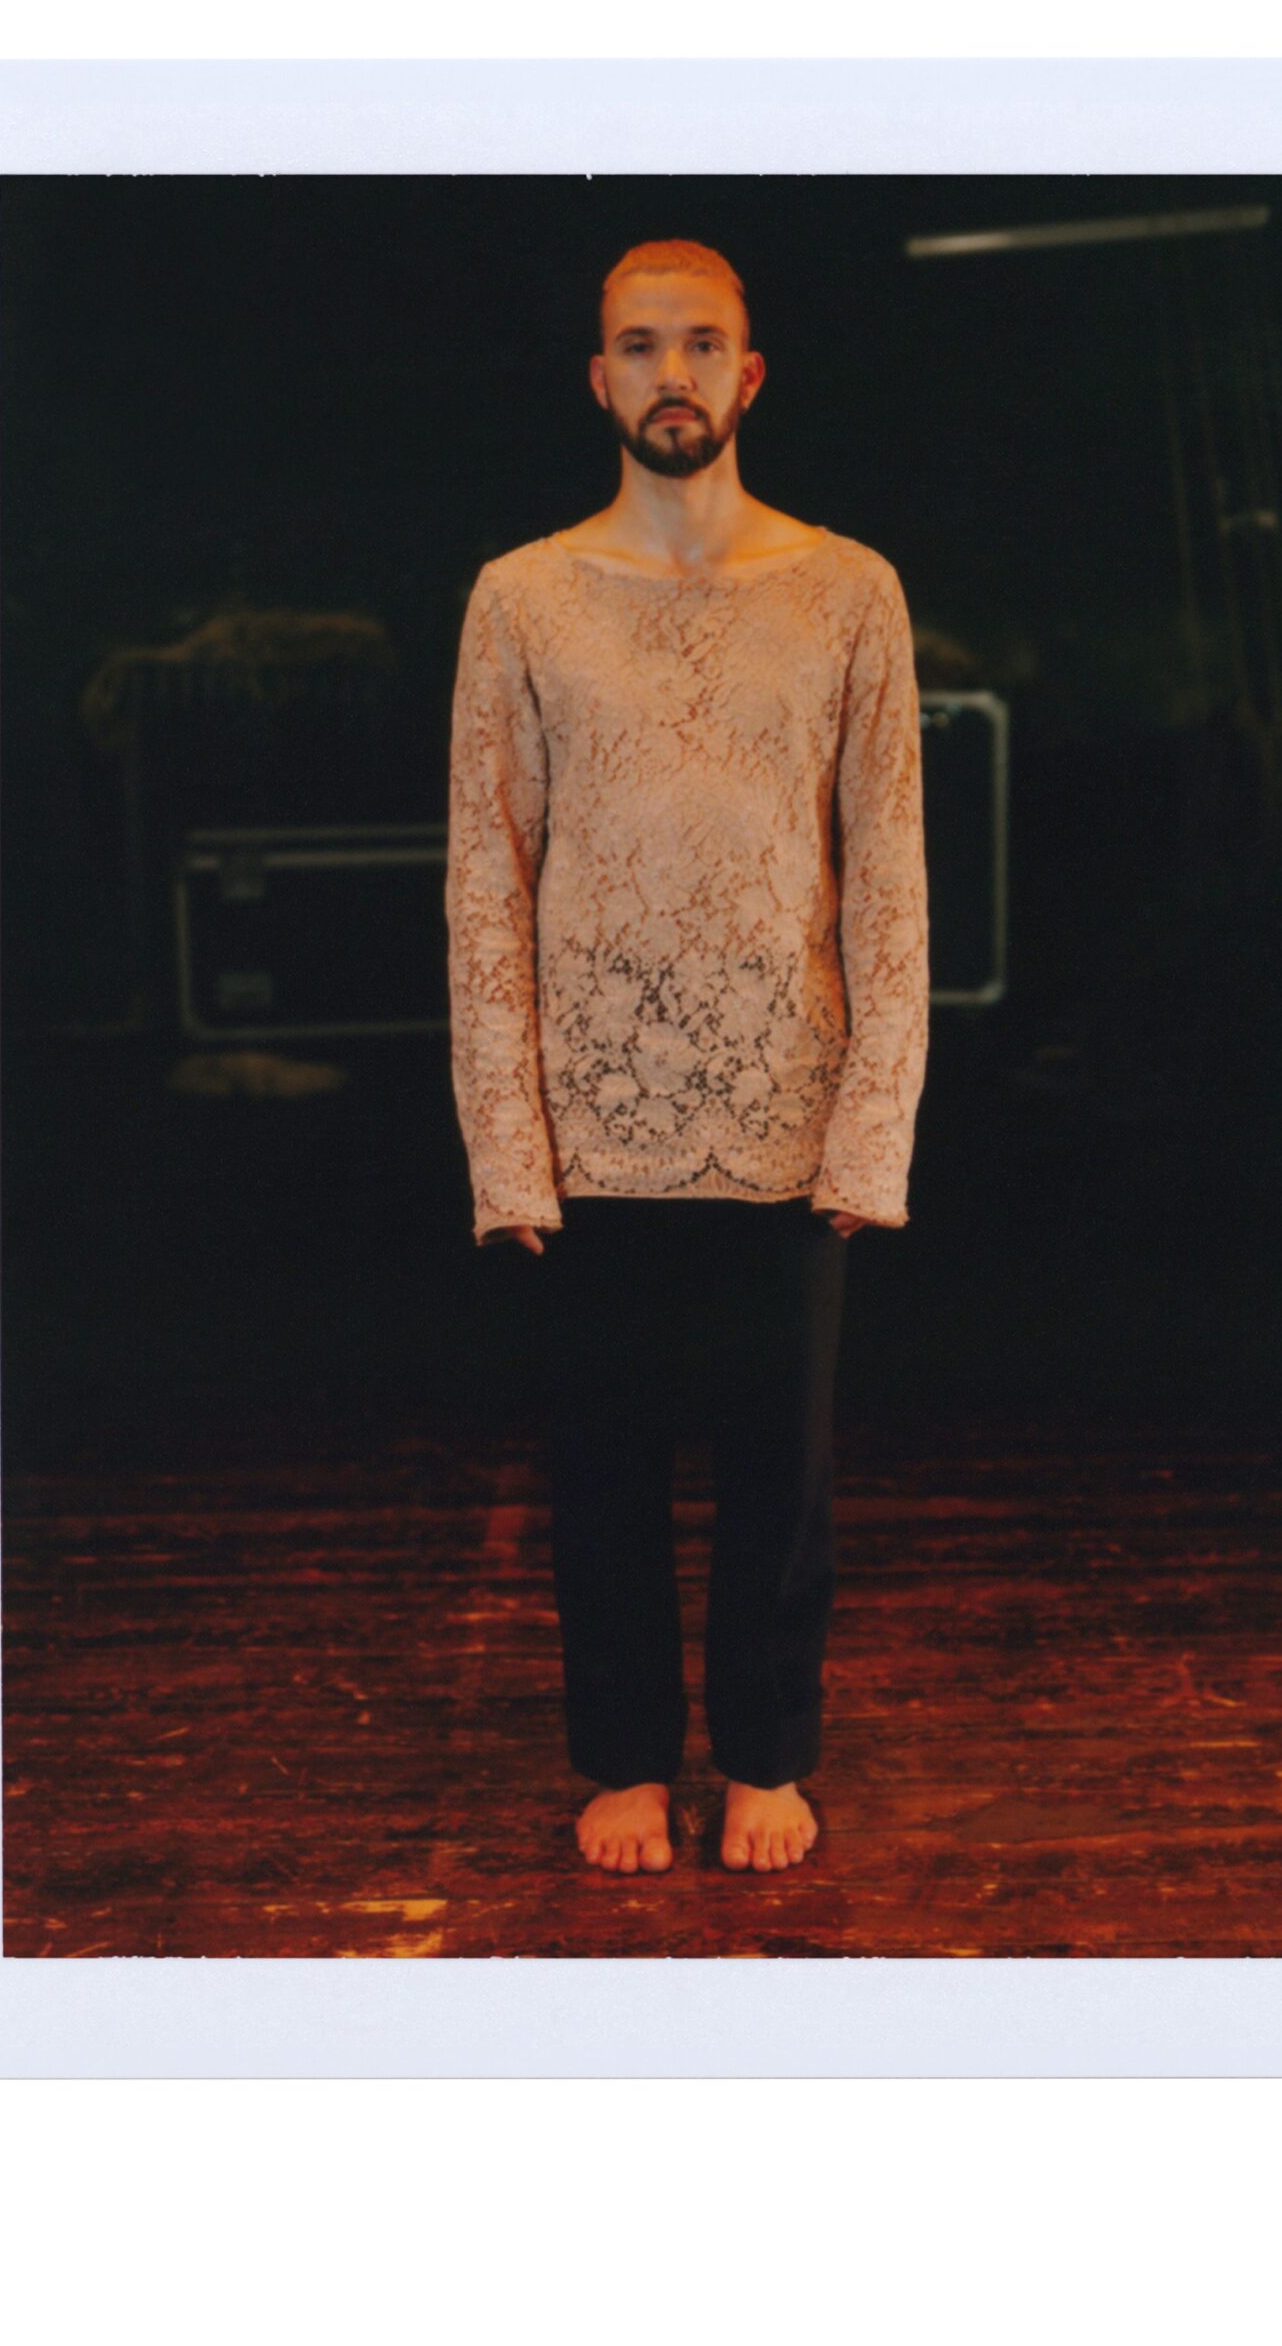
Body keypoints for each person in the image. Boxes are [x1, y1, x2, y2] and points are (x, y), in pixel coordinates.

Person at [445, 239, 930, 1879]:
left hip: (787, 1099)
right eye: (641, 345)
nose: (673, 373)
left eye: (701, 344)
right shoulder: (522, 596)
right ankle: (627, 1761)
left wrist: (874, 1128)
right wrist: (507, 1141)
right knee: (602, 1471)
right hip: (593, 1113)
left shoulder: (849, 590)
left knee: (781, 1474)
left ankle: (770, 1754)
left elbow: (889, 871)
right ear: (600, 379)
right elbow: (487, 873)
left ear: (749, 374)